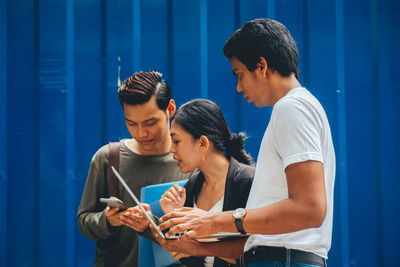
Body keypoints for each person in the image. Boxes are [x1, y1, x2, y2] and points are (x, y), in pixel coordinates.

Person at [152, 18, 336, 267]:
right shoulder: (295, 108)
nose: (238, 87)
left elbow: (310, 209)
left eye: (240, 75)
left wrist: (215, 221)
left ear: (261, 66)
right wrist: (196, 245)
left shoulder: (292, 108)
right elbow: (261, 242)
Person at [77, 71, 192, 267]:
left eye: (150, 122)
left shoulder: (190, 160)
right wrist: (108, 220)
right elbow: (84, 221)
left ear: (170, 108)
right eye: (131, 123)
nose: (141, 133)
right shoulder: (108, 158)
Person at [159, 99, 255, 266]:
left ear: (203, 143)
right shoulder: (192, 186)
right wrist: (173, 216)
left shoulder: (248, 182)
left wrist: (200, 245)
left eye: (177, 141)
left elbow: (257, 251)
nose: (171, 149)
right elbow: (186, 254)